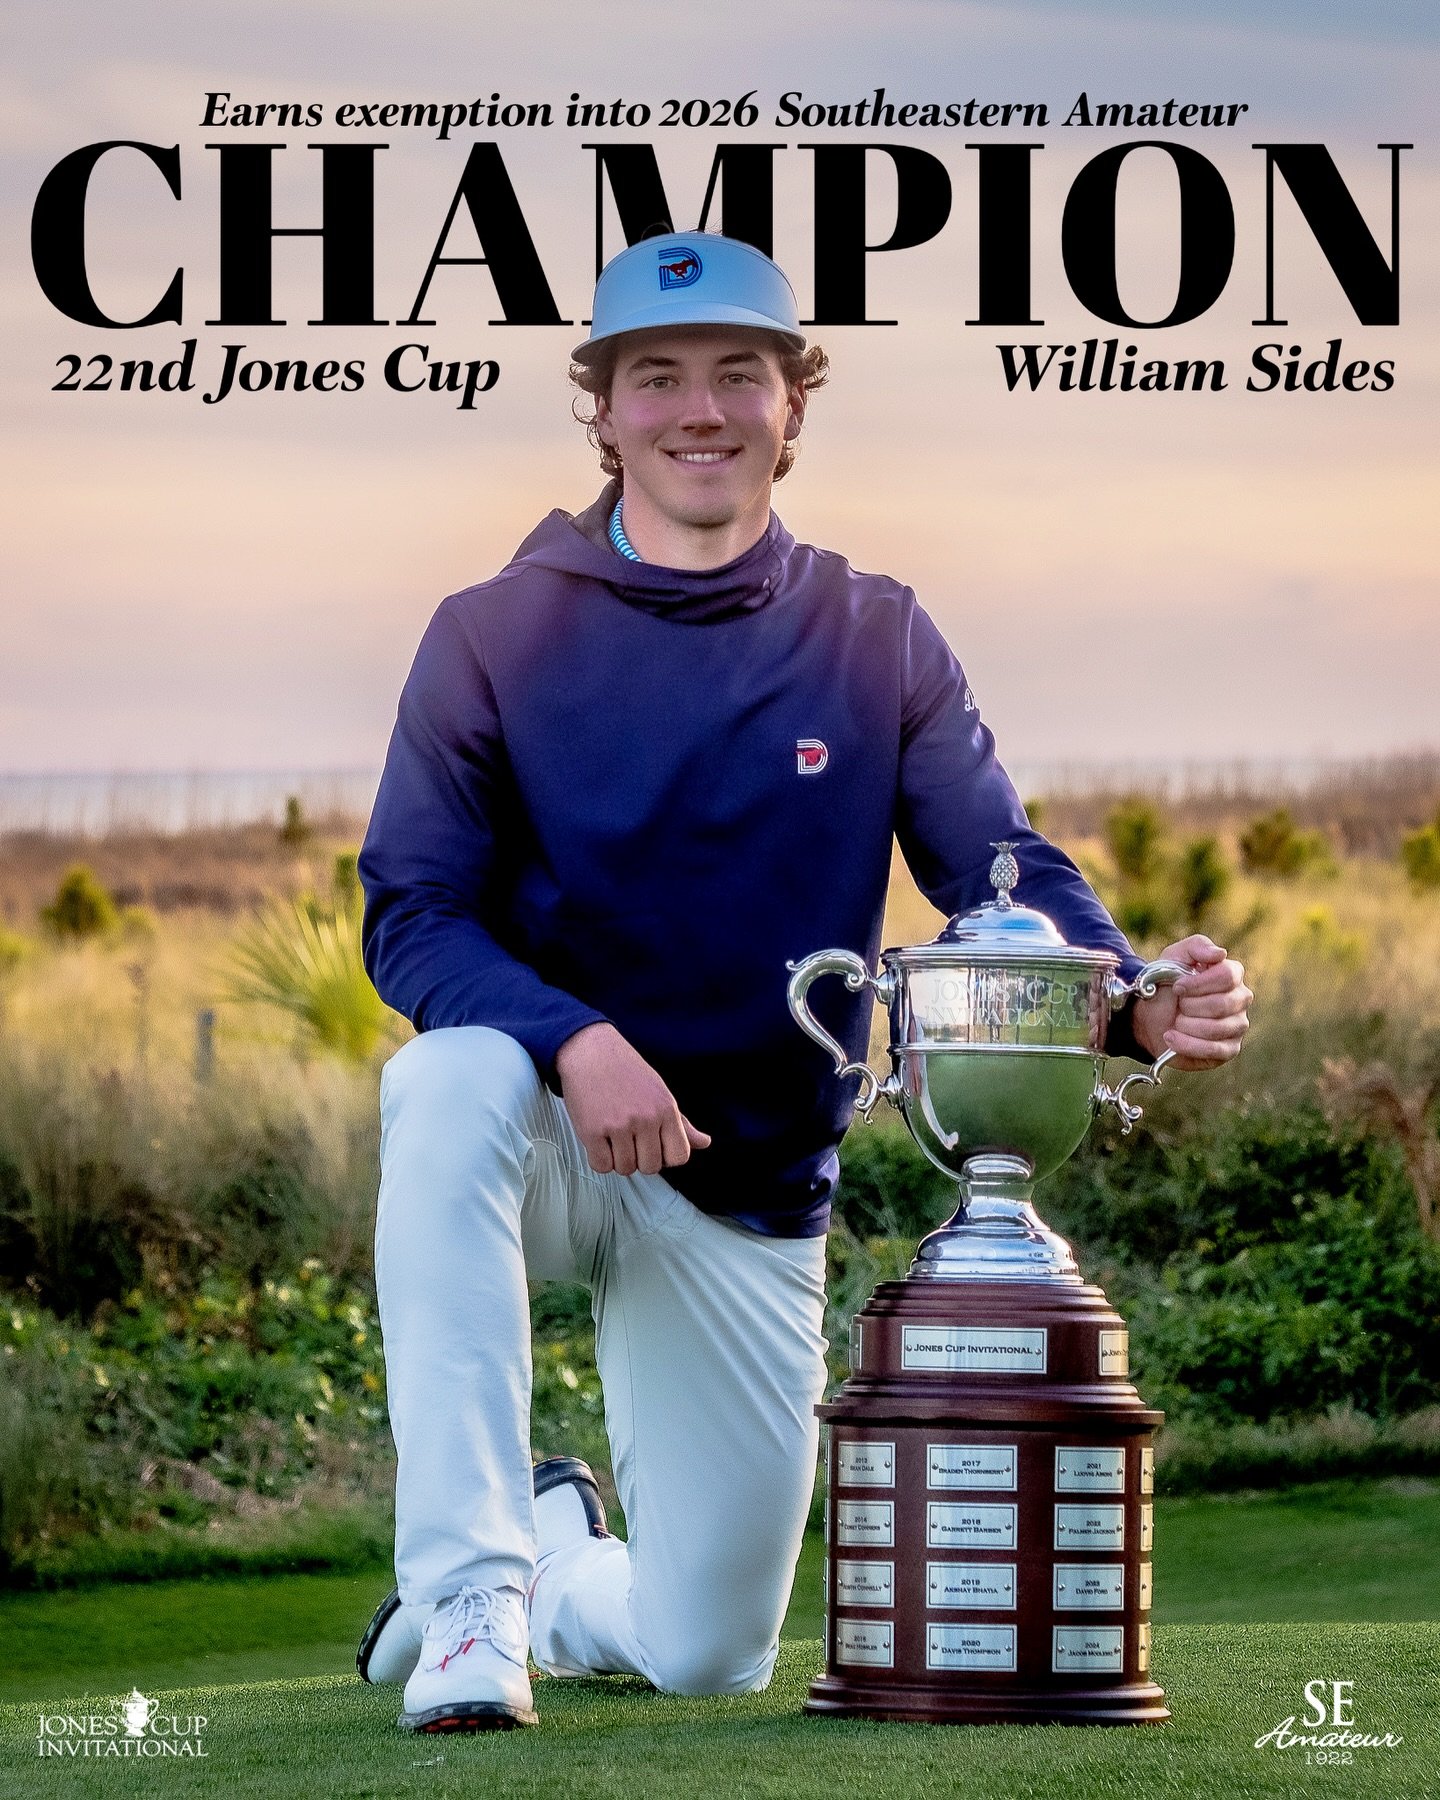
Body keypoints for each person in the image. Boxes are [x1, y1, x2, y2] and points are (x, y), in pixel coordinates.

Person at [353, 231, 1252, 1733]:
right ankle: (466, 1599)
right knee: (442, 1081)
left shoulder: (877, 633)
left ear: (794, 404)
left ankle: (560, 1561)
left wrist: (1127, 996)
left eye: (738, 374)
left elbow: (999, 873)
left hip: (749, 1176)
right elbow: (411, 916)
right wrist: (570, 1037)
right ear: (604, 409)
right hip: (551, 1134)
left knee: (710, 1653)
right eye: (658, 377)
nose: (699, 409)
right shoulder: (488, 634)